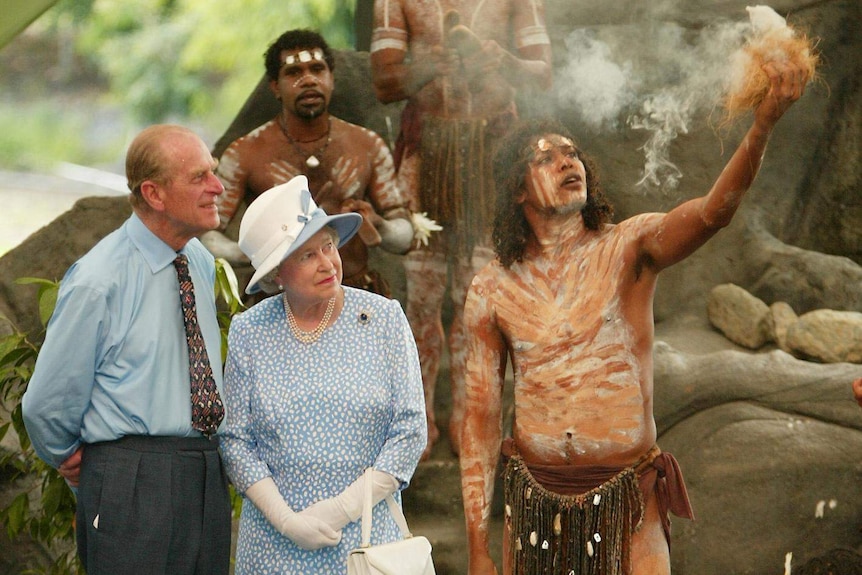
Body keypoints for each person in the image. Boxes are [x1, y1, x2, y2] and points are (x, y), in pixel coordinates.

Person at [459, 59, 810, 575]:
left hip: (628, 504)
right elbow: (481, 419)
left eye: (572, 153)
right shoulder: (492, 287)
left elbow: (714, 212)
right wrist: (476, 547)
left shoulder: (630, 246)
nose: (565, 162)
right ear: (517, 189)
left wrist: (761, 127)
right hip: (534, 508)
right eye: (546, 158)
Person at [21, 124, 231, 575]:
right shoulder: (99, 280)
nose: (218, 187)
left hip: (204, 470)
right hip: (132, 478)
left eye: (213, 173)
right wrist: (83, 463)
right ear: (154, 194)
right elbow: (45, 404)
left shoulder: (196, 260)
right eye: (200, 177)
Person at [370, 0, 553, 457]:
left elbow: (543, 72)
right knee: (422, 294)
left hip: (493, 153)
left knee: (477, 297)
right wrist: (431, 65)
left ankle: (470, 416)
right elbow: (384, 81)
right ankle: (419, 421)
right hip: (427, 151)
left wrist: (503, 60)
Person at [219, 174, 427, 573]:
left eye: (328, 246)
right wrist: (286, 520)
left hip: (365, 541)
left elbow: (410, 431)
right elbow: (236, 441)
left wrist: (339, 510)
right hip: (272, 545)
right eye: (306, 255)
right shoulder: (250, 331)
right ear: (277, 274)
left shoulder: (383, 320)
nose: (327, 263)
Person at [210, 28, 414, 297]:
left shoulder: (367, 145)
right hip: (280, 303)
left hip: (354, 295)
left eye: (317, 69)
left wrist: (381, 225)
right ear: (275, 86)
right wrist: (258, 253)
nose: (308, 80)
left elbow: (405, 236)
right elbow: (208, 234)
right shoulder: (245, 153)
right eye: (294, 73)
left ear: (331, 79)